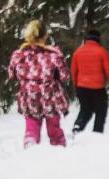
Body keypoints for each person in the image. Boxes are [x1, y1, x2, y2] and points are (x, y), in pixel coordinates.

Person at [8, 20, 69, 148]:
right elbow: (64, 76)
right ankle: (59, 149)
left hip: (30, 96)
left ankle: (30, 145)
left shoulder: (19, 55)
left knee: (32, 126)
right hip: (51, 96)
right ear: (45, 36)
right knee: (54, 128)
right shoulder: (54, 55)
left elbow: (11, 75)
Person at [71, 30, 109, 135]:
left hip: (82, 87)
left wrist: (76, 86)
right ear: (98, 39)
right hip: (97, 88)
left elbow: (74, 71)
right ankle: (97, 133)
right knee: (101, 111)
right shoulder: (102, 51)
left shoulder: (78, 52)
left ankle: (78, 126)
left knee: (85, 110)